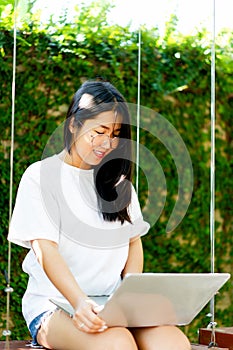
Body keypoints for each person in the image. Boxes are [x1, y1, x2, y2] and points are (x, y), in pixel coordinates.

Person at [8, 80, 191, 350]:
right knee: (117, 344)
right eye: (100, 131)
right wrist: (79, 302)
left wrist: (130, 296)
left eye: (116, 133)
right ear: (73, 125)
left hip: (111, 305)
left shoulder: (119, 184)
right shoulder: (41, 176)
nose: (108, 142)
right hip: (53, 306)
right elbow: (45, 249)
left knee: (173, 343)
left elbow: (133, 242)